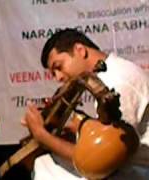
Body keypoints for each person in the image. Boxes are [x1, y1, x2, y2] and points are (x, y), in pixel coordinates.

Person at [21, 28, 149, 179]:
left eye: (59, 67)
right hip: (127, 167)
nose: (58, 77)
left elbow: (103, 159)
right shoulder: (108, 73)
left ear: (80, 50)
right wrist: (75, 128)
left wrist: (42, 135)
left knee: (45, 166)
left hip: (138, 171)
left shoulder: (117, 80)